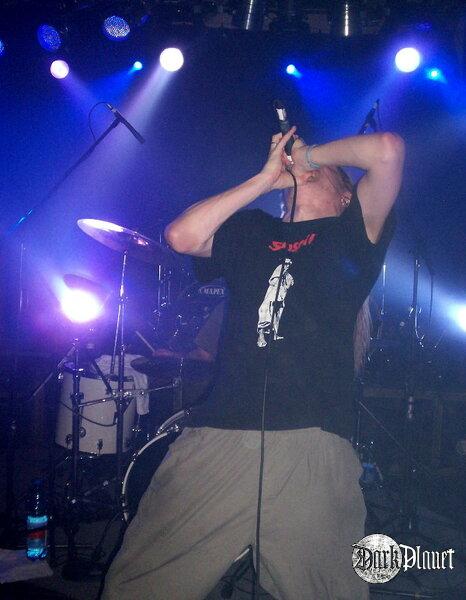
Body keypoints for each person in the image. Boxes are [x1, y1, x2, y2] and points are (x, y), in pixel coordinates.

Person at [102, 125, 405, 600]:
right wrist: (264, 180)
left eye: (323, 174)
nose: (307, 172)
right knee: (141, 585)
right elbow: (181, 236)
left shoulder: (351, 234)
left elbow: (386, 151)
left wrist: (309, 156)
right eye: (303, 170)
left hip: (312, 442)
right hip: (217, 436)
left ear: (345, 197)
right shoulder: (251, 230)